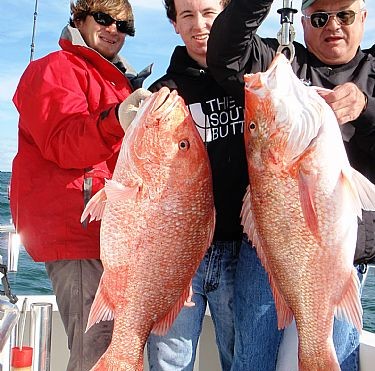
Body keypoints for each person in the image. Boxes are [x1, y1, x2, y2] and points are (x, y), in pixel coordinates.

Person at [207, 0, 375, 369]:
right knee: (251, 362)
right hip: (267, 256)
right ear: (302, 23)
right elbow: (224, 53)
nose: (333, 25)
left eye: (344, 15)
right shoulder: (282, 60)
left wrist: (367, 109)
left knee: (334, 355)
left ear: (363, 19)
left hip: (342, 261)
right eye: (319, 17)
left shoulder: (373, 74)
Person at [9, 0, 151, 370]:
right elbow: (63, 140)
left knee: (115, 346)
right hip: (80, 234)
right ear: (80, 18)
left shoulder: (115, 81)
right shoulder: (54, 69)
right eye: (104, 19)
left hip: (113, 238)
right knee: (97, 349)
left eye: (124, 26)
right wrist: (117, 119)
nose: (114, 30)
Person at [145, 0, 256, 370]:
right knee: (169, 361)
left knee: (240, 357)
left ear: (227, 15)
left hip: (244, 252)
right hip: (177, 254)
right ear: (174, 24)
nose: (199, 25)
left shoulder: (252, 79)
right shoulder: (164, 94)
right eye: (187, 15)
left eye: (209, 13)